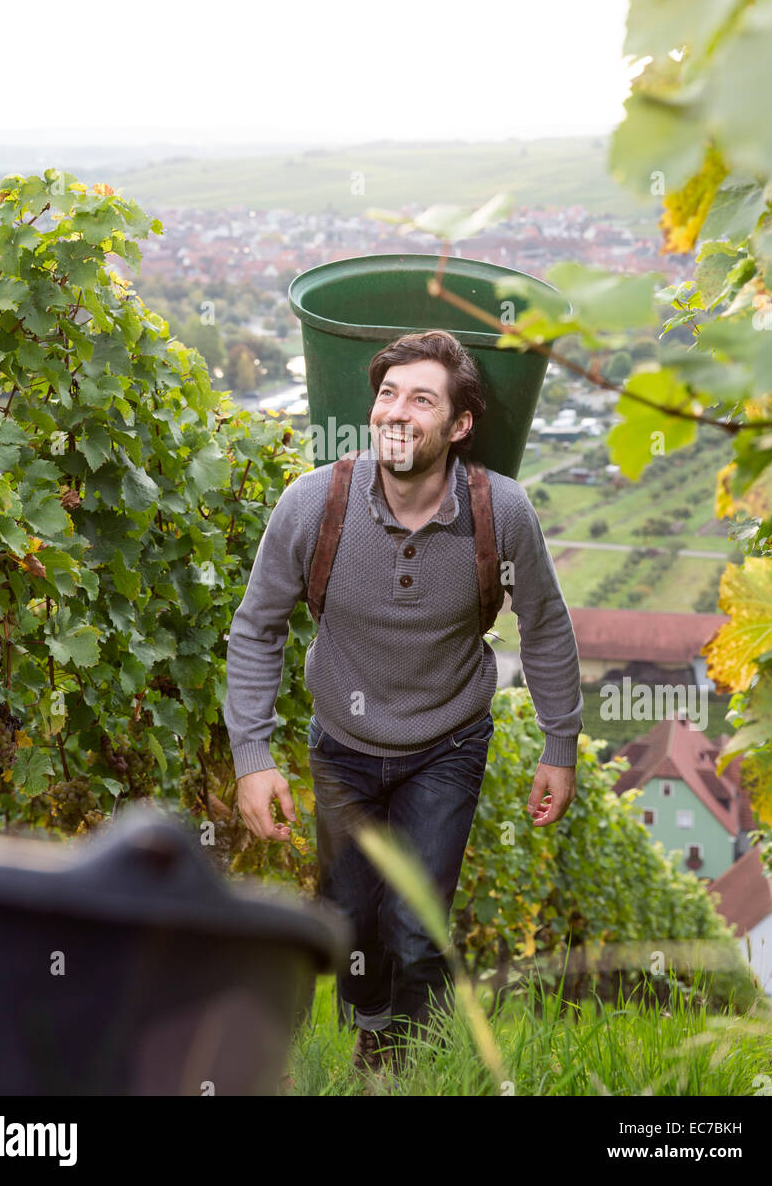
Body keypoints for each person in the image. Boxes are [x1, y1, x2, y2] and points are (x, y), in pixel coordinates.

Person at [224, 329, 583, 1081]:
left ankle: (397, 1066)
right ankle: (369, 1025)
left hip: (446, 745)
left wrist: (560, 743)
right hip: (342, 746)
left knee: (418, 929)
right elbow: (257, 626)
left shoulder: (501, 514)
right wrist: (252, 758)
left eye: (421, 398)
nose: (396, 410)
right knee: (352, 921)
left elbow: (544, 627)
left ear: (459, 426)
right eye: (387, 393)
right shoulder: (314, 505)